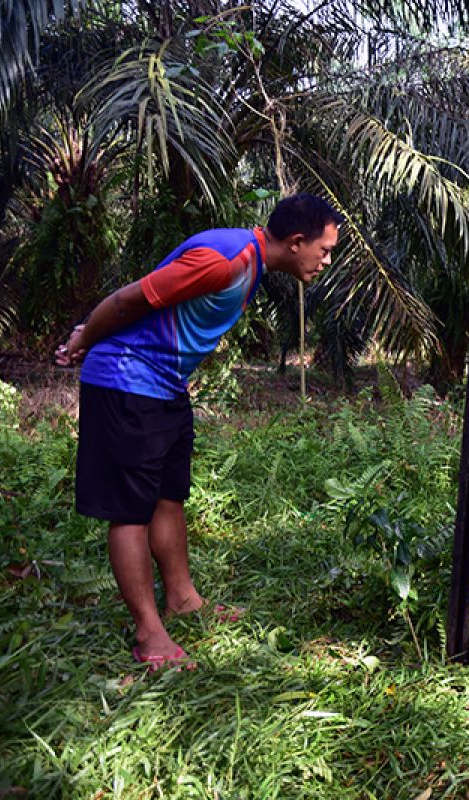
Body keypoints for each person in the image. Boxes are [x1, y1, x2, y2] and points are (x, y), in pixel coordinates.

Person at [54, 193, 342, 669]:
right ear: (296, 243)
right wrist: (84, 337)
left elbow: (178, 321)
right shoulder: (223, 261)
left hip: (164, 387)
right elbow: (131, 298)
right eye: (324, 250)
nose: (325, 261)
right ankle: (150, 633)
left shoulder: (250, 266)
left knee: (169, 495)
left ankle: (183, 598)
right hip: (126, 380)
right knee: (131, 511)